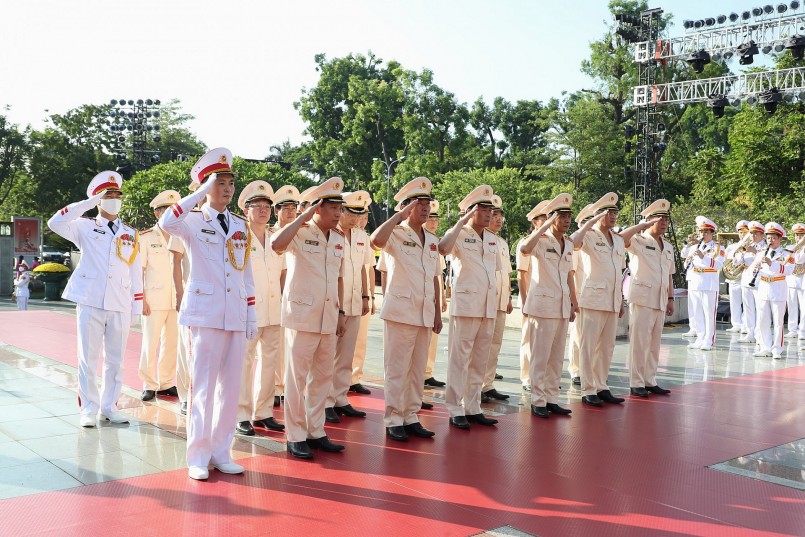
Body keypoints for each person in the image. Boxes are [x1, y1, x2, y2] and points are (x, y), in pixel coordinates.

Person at [159, 148, 258, 480]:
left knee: (230, 388)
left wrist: (251, 314)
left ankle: (221, 451)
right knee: (202, 388)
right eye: (219, 182)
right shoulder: (191, 220)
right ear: (204, 186)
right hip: (204, 314)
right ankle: (198, 455)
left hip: (234, 314)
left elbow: (245, 272)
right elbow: (166, 221)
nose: (227, 189)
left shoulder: (239, 225)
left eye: (230, 182)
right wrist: (198, 193)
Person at [47, 171, 143, 427]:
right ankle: (88, 408)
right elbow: (55, 223)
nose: (114, 199)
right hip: (91, 299)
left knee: (116, 360)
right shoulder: (85, 226)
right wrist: (88, 203)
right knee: (87, 358)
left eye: (116, 195)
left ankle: (109, 406)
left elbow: (136, 270)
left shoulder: (131, 233)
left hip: (120, 301)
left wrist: (137, 304)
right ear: (98, 200)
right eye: (107, 195)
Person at [270, 177, 347, 460]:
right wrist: (303, 215)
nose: (338, 213)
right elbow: (277, 244)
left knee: (322, 378)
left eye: (340, 207)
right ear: (318, 207)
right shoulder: (300, 232)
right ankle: (295, 434)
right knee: (296, 379)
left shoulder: (339, 238)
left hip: (328, 317)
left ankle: (316, 431)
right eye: (332, 207)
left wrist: (340, 313)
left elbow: (339, 277)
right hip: (302, 316)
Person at [370, 177, 442, 441]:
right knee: (397, 368)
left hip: (424, 312)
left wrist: (436, 312)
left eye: (427, 203)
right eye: (419, 203)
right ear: (406, 206)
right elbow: (375, 241)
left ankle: (411, 416)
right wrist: (397, 217)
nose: (425, 208)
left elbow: (435, 277)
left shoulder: (432, 239)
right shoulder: (396, 234)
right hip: (401, 311)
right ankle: (393, 419)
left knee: (417, 369)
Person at [438, 185, 502, 429]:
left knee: (479, 360)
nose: (489, 214)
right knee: (459, 359)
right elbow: (443, 248)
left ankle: (473, 407)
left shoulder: (492, 239)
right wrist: (461, 221)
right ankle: (455, 408)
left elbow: (491, 272)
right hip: (466, 305)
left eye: (490, 210)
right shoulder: (459, 234)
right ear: (471, 211)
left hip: (487, 306)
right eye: (483, 210)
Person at [518, 194, 577, 418]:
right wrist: (544, 227)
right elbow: (525, 249)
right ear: (552, 218)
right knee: (540, 356)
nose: (566, 220)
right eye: (561, 216)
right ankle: (538, 400)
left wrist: (572, 302)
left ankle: (552, 398)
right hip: (542, 306)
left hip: (561, 305)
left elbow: (569, 275)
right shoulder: (540, 240)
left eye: (568, 216)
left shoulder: (568, 243)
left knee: (556, 356)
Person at [235, 181, 286, 436]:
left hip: (274, 309)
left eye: (267, 206)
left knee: (270, 363)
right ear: (246, 210)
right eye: (258, 206)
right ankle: (241, 414)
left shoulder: (277, 237)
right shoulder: (239, 237)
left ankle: (263, 412)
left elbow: (283, 272)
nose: (264, 210)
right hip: (249, 311)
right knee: (244, 363)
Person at [570, 192, 623, 407]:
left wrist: (620, 299)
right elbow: (573, 242)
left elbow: (619, 271)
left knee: (607, 345)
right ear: (599, 215)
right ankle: (588, 389)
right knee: (588, 345)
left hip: (612, 298)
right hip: (592, 297)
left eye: (615, 212)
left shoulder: (618, 239)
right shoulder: (590, 235)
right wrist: (591, 221)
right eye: (608, 212)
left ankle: (602, 386)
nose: (613, 216)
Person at [325, 191, 373, 424]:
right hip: (334, 302)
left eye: (359, 214)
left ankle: (340, 397)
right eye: (351, 213)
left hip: (354, 301)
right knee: (328, 355)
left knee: (346, 355)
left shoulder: (361, 235)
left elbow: (363, 268)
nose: (355, 219)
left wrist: (366, 295)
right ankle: (324, 401)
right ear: (341, 211)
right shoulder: (331, 234)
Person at [620, 200, 676, 397]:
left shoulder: (667, 246)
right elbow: (620, 239)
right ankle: (636, 382)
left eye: (666, 220)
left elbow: (669, 274)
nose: (663, 223)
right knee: (639, 342)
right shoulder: (639, 240)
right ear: (649, 221)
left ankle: (650, 380)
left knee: (654, 343)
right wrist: (641, 226)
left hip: (660, 299)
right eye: (659, 219)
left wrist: (671, 298)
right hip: (643, 298)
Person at [138, 190, 180, 401]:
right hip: (153, 300)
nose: (171, 215)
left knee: (172, 343)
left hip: (176, 299)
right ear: (157, 214)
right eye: (166, 211)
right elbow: (139, 271)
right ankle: (149, 383)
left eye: (174, 211)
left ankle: (167, 382)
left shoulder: (180, 236)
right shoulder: (146, 237)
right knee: (150, 343)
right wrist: (141, 300)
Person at [269, 184, 300, 406]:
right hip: (273, 298)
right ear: (276, 211)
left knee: (292, 348)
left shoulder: (302, 232)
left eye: (293, 208)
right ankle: (274, 388)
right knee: (273, 349)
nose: (290, 212)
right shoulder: (270, 234)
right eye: (285, 208)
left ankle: (285, 387)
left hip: (296, 299)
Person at [481, 195, 513, 403]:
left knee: (495, 344)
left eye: (501, 216)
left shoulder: (501, 242)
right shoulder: (480, 237)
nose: (499, 220)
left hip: (500, 301)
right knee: (482, 344)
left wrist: (508, 297)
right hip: (485, 301)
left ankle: (488, 383)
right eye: (494, 216)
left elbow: (506, 273)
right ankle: (477, 386)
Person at [516, 200, 548, 392]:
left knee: (543, 342)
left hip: (545, 299)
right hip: (530, 297)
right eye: (543, 219)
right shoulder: (526, 243)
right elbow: (521, 274)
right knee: (528, 339)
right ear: (535, 222)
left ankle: (541, 378)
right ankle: (527, 377)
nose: (547, 221)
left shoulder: (549, 242)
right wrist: (525, 300)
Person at [753, 222, 794, 359]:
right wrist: (756, 271)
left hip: (778, 288)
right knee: (763, 320)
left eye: (773, 238)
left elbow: (788, 270)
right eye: (768, 238)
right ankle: (765, 347)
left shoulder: (787, 254)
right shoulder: (761, 253)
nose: (770, 241)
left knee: (778, 321)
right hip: (764, 288)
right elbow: (758, 271)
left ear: (780, 239)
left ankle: (777, 349)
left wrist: (772, 264)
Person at [350, 203, 377, 394]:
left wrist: (370, 296)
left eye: (365, 217)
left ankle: (354, 376)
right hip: (345, 296)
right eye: (358, 215)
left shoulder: (364, 238)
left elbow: (368, 268)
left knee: (360, 340)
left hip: (362, 295)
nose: (362, 220)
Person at [687, 216, 724, 351]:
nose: (703, 235)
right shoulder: (695, 247)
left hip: (709, 282)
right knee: (697, 312)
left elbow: (719, 264)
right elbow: (688, 263)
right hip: (696, 281)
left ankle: (709, 340)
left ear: (712, 233)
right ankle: (700, 338)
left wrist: (703, 257)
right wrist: (689, 261)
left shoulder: (718, 247)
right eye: (701, 232)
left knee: (709, 313)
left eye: (706, 232)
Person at [422, 200, 448, 389]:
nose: (433, 223)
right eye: (431, 219)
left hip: (433, 297)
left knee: (433, 338)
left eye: (436, 220)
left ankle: (427, 371)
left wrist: (442, 298)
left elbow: (439, 275)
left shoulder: (435, 242)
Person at [568, 204, 593, 386]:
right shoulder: (576, 245)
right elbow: (571, 273)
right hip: (579, 294)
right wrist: (573, 299)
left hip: (594, 296)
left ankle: (590, 369)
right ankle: (576, 369)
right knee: (578, 335)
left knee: (592, 337)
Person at [737, 221, 767, 343]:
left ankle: (760, 335)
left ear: (761, 235)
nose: (753, 236)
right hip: (746, 279)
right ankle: (750, 333)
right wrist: (738, 256)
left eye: (756, 234)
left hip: (758, 280)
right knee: (748, 308)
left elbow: (765, 259)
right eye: (751, 233)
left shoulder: (765, 247)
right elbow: (739, 262)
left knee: (760, 308)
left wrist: (754, 251)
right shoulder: (746, 245)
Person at [725, 220, 750, 333]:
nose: (742, 234)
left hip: (746, 277)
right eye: (740, 232)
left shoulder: (752, 247)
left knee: (747, 302)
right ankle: (736, 324)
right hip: (734, 278)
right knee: (734, 302)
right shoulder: (732, 247)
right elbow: (727, 261)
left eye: (745, 232)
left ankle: (746, 324)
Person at [785, 223, 805, 339]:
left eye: (801, 235)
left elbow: (800, 259)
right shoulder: (790, 247)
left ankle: (802, 330)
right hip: (792, 279)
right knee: (791, 305)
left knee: (804, 307)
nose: (799, 237)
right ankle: (792, 329)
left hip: (803, 280)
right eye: (797, 235)